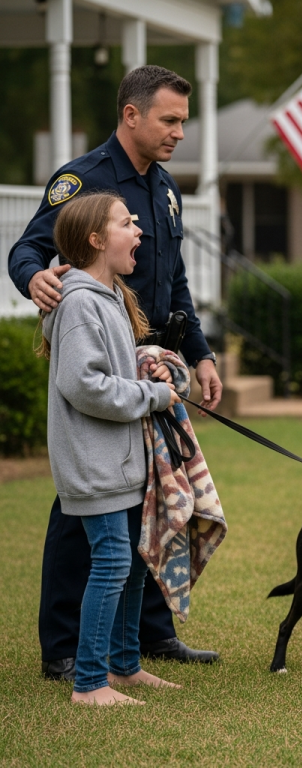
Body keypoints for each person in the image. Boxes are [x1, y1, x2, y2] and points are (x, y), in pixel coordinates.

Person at [8, 65, 223, 680]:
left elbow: (174, 282)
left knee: (150, 496)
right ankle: (63, 647)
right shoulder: (84, 180)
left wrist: (201, 353)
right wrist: (34, 278)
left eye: (183, 120)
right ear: (132, 115)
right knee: (85, 507)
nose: (180, 131)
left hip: (151, 364)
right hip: (102, 353)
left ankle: (150, 637)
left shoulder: (165, 189)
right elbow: (28, 247)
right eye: (170, 119)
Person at [41, 190, 183, 705]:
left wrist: (149, 363)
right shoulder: (81, 301)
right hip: (95, 465)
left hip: (121, 464)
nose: (140, 230)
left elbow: (111, 368)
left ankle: (124, 666)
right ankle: (90, 682)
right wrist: (152, 395)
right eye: (127, 222)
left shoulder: (109, 297)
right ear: (96, 240)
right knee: (111, 564)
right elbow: (85, 385)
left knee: (133, 565)